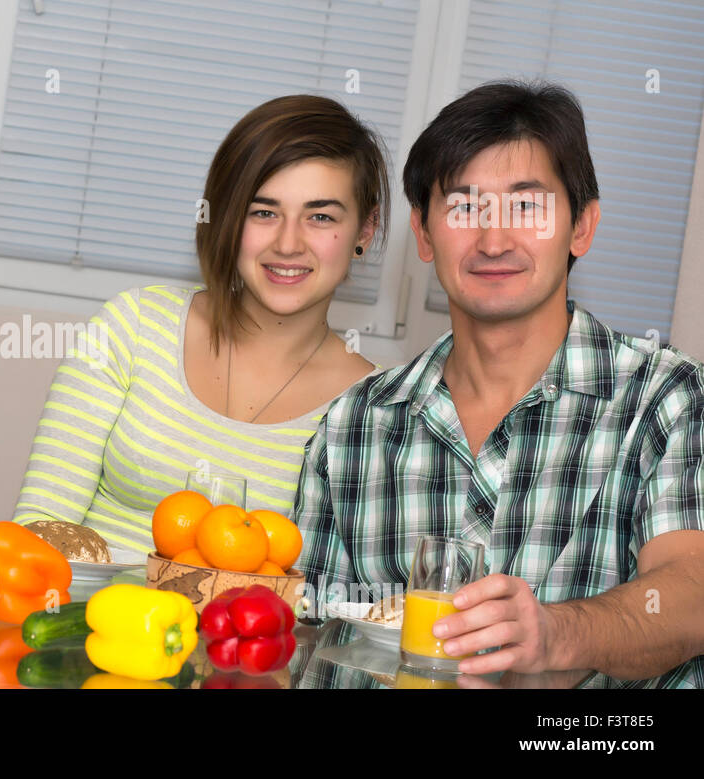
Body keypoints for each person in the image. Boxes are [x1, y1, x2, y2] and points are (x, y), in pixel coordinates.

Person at [294, 81, 704, 687]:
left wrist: (554, 633)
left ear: (582, 227)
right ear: (425, 234)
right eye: (464, 207)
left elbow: (691, 594)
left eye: (527, 206)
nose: (492, 240)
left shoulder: (664, 398)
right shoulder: (357, 425)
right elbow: (315, 642)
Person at [12, 95, 389, 562]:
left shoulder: (377, 407)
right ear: (228, 217)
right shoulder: (133, 325)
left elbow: (335, 599)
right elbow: (37, 535)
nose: (288, 243)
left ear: (365, 230)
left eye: (320, 217)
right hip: (87, 625)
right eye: (264, 212)